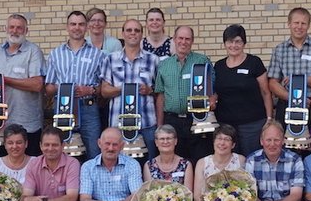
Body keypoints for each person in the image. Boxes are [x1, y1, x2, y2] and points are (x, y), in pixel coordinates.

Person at [46, 10, 107, 156]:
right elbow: (48, 88)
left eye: (81, 24)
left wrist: (91, 90)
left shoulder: (98, 54)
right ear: (67, 27)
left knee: (94, 152)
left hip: (88, 109)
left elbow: (104, 88)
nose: (77, 27)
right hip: (62, 109)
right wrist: (62, 89)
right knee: (61, 152)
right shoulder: (55, 54)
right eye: (73, 24)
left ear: (86, 27)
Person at [154, 25, 214, 163]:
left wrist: (212, 100)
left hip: (197, 119)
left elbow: (212, 90)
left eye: (187, 39)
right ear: (174, 39)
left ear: (192, 41)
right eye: (180, 38)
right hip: (172, 120)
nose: (183, 42)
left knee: (199, 160)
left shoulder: (202, 61)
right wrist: (160, 125)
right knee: (176, 161)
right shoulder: (164, 65)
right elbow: (160, 97)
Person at [213, 24, 271, 157]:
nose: (233, 45)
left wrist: (269, 119)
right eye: (230, 41)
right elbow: (216, 92)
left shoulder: (254, 62)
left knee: (252, 159)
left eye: (238, 41)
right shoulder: (219, 66)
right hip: (226, 125)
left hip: (252, 125)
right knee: (230, 162)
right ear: (224, 43)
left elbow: (266, 92)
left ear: (244, 43)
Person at [267, 7, 311, 126]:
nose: (299, 26)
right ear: (289, 24)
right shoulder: (279, 50)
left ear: (308, 25)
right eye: (296, 23)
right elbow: (272, 83)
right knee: (285, 138)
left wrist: (301, 79)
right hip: (287, 105)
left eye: (303, 23)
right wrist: (292, 98)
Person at [0, 13, 45, 153]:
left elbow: (37, 84)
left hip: (27, 123)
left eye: (19, 28)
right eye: (11, 27)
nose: (15, 31)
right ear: (5, 29)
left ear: (26, 31)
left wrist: (5, 80)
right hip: (1, 123)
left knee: (29, 163)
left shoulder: (33, 51)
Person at [100, 19, 159, 142]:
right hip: (118, 124)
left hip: (146, 123)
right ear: (123, 34)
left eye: (137, 30)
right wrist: (123, 89)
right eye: (129, 30)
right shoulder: (110, 59)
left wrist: (149, 90)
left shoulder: (153, 60)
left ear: (142, 34)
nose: (133, 33)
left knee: (149, 155)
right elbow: (104, 91)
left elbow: (159, 90)